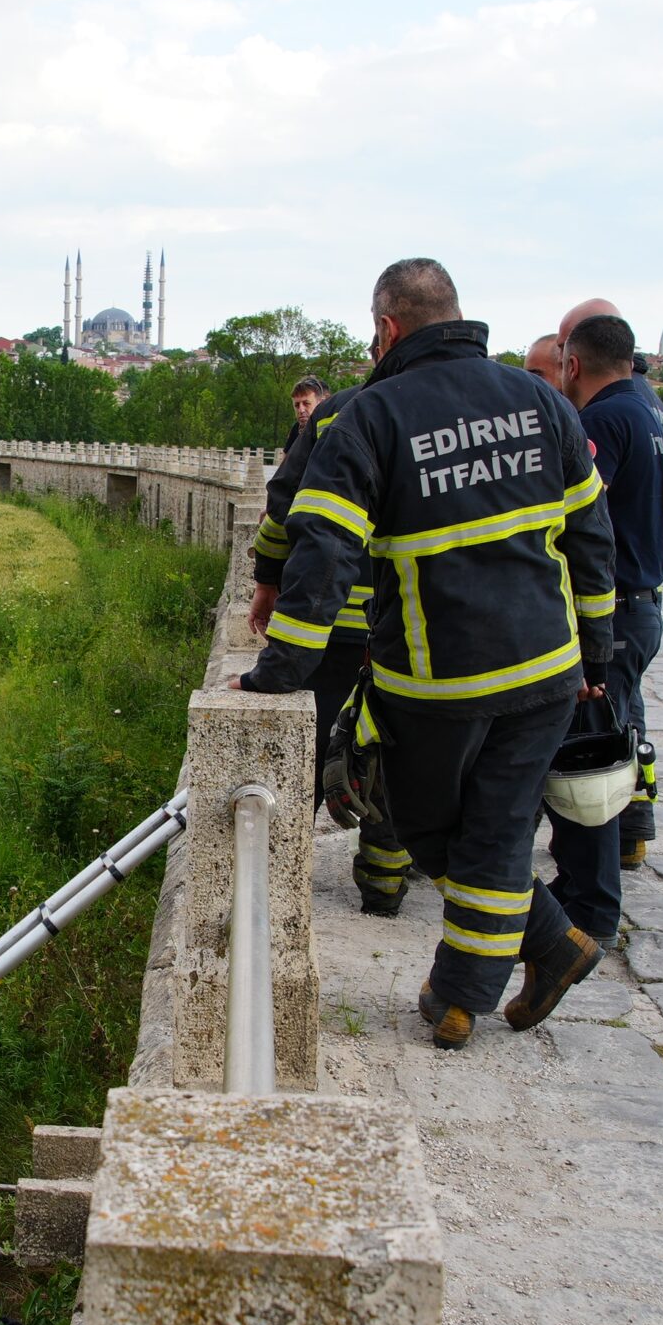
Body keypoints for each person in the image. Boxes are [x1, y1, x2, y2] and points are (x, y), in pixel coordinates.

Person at [231, 258, 616, 1049]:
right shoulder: (540, 399)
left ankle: (472, 987)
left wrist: (280, 671)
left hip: (439, 684)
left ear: (386, 329)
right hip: (548, 670)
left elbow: (325, 552)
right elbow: (591, 538)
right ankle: (519, 960)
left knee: (420, 823)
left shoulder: (373, 416)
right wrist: (599, 657)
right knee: (502, 828)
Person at [249, 374, 410, 912]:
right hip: (411, 623)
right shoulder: (456, 408)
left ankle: (273, 876)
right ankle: (384, 886)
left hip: (335, 620)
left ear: (383, 338)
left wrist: (267, 579)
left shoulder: (339, 413)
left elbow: (284, 510)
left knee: (309, 750)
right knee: (393, 749)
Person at [547, 312, 663, 946]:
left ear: (572, 363)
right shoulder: (649, 409)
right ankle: (627, 843)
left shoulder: (600, 421)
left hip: (613, 608)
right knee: (617, 733)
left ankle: (589, 906)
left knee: (586, 757)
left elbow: (583, 523)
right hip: (642, 602)